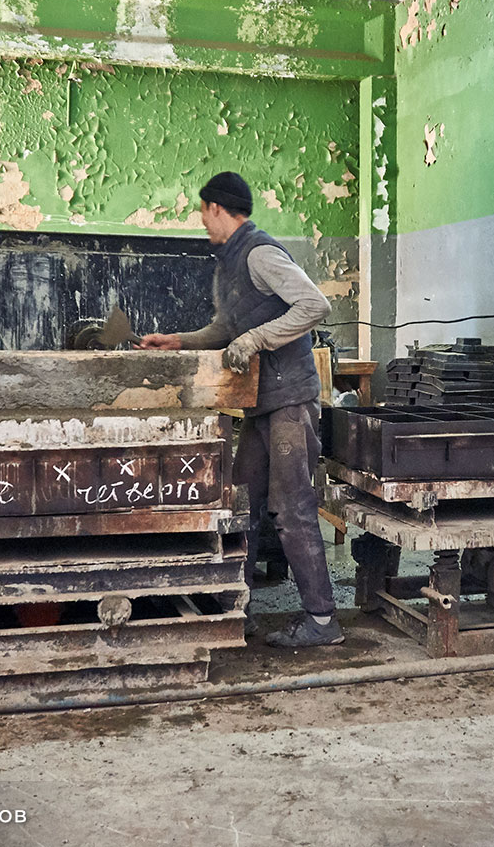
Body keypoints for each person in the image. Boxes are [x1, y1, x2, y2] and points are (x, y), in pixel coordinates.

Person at [137, 172, 340, 648]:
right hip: (259, 403)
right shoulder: (227, 264)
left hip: (290, 399)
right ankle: (236, 607)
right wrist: (180, 340)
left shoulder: (260, 253)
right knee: (241, 503)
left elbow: (315, 305)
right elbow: (224, 328)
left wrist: (255, 339)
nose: (201, 221)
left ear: (215, 208)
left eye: (202, 211)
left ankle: (323, 621)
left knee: (292, 509)